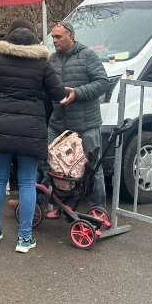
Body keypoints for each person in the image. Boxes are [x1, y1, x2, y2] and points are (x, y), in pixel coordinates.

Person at [0, 19, 67, 253]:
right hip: (30, 128)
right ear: (33, 37)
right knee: (28, 181)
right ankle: (24, 238)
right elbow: (58, 93)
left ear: (9, 35)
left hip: (1, 125)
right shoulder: (42, 63)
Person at [47, 21, 109, 216]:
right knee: (54, 166)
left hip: (86, 124)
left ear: (71, 36)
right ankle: (59, 206)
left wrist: (78, 93)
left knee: (93, 168)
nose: (54, 40)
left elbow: (102, 83)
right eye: (53, 37)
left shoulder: (88, 56)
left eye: (58, 37)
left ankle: (97, 210)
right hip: (58, 123)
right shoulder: (51, 60)